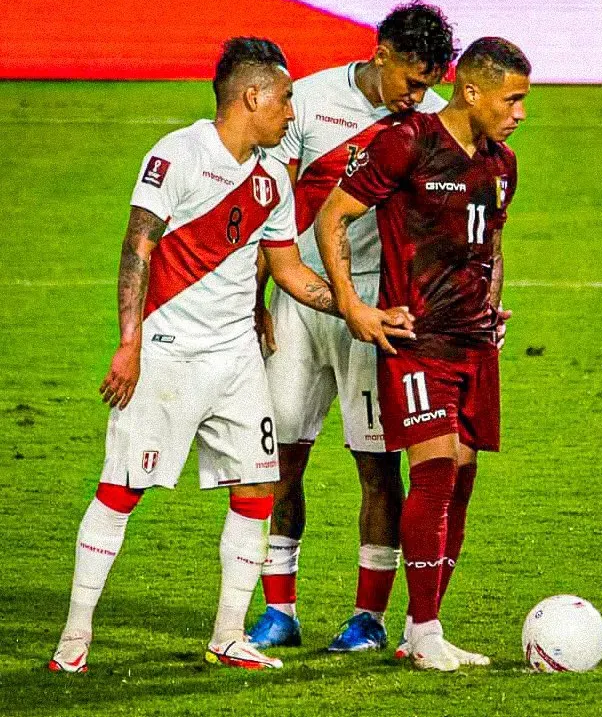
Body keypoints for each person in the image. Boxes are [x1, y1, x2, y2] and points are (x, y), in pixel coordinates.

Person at [48, 36, 416, 674]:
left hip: (237, 360)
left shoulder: (273, 176)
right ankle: (73, 641)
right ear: (253, 96)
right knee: (121, 490)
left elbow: (291, 271)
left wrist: (353, 308)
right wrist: (130, 345)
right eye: (286, 99)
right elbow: (138, 248)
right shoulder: (179, 155)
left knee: (256, 488)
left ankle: (228, 636)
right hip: (169, 355)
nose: (291, 112)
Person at [315, 37, 531, 670]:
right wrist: (354, 306)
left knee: (461, 479)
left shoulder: (503, 164)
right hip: (417, 341)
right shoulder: (407, 141)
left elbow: (490, 245)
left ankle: (420, 628)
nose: (519, 112)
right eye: (512, 99)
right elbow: (334, 216)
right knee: (434, 469)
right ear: (472, 91)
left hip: (474, 343)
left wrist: (494, 302)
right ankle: (426, 628)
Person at [249, 2, 457, 653]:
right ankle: (279, 607)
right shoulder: (307, 103)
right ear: (380, 53)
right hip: (302, 301)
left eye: (428, 84)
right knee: (282, 455)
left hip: (377, 310)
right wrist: (254, 296)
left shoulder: (431, 122)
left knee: (377, 463)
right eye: (411, 80)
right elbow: (273, 203)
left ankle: (367, 617)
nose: (418, 96)